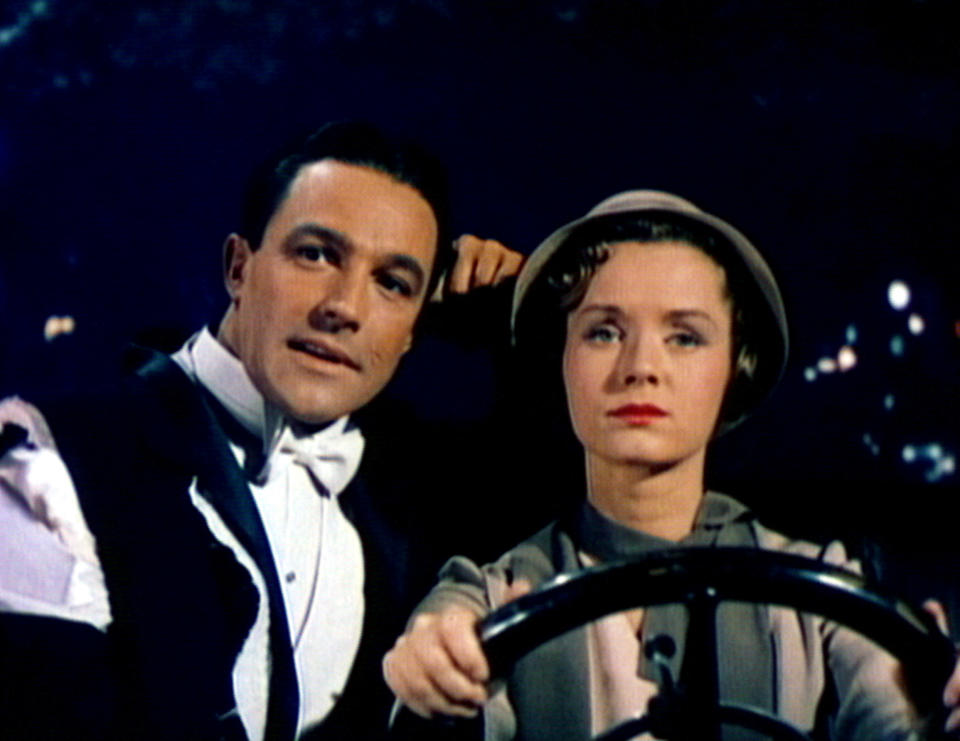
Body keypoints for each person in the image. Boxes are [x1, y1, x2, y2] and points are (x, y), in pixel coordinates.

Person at [0, 121, 522, 740]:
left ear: (414, 328)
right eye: (316, 254)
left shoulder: (413, 493)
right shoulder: (51, 461)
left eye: (392, 284)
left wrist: (517, 322)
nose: (345, 308)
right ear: (238, 268)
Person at [382, 190, 960, 740]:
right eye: (604, 332)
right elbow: (444, 642)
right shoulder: (494, 590)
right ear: (561, 362)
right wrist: (435, 662)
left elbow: (891, 712)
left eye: (684, 337)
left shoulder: (823, 591)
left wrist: (929, 698)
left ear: (736, 368)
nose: (641, 368)